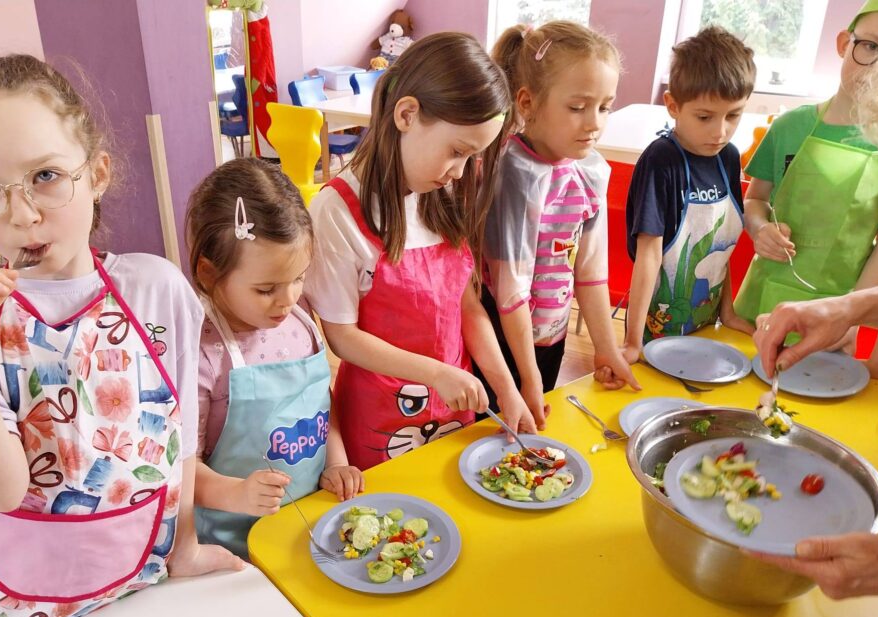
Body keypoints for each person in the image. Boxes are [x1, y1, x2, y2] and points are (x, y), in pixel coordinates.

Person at [0, 53, 241, 617]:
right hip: (16, 608)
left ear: (97, 174)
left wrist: (186, 549)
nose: (21, 215)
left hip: (144, 576)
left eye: (45, 176)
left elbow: (180, 441)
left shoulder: (157, 289)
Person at [305, 33, 536, 470]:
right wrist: (436, 373)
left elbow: (468, 307)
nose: (459, 173)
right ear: (407, 114)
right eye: (457, 152)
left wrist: (506, 387)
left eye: (471, 159)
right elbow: (342, 337)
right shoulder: (336, 210)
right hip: (379, 421)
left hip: (453, 408)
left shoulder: (441, 193)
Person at [187, 158, 362, 560]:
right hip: (236, 544)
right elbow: (182, 466)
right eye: (266, 289)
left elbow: (321, 407)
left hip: (310, 524)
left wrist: (336, 462)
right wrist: (236, 493)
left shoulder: (301, 322)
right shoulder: (201, 354)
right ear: (209, 273)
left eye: (298, 277)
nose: (288, 299)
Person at [476, 20, 639, 428]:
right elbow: (510, 291)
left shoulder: (589, 171)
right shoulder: (513, 174)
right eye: (578, 107)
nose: (594, 123)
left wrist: (606, 347)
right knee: (490, 434)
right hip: (500, 340)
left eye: (605, 107)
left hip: (551, 336)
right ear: (527, 102)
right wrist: (527, 377)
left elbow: (590, 272)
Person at [734, 0, 878, 325]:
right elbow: (755, 200)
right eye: (870, 46)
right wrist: (760, 228)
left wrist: (848, 318)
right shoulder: (789, 127)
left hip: (836, 312)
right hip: (761, 299)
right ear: (844, 43)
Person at [622, 27, 757, 357]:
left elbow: (720, 246)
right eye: (705, 117)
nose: (720, 131)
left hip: (707, 321)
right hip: (657, 327)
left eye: (733, 115)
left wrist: (728, 313)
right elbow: (649, 255)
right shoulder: (660, 161)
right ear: (673, 105)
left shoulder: (728, 157)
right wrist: (632, 342)